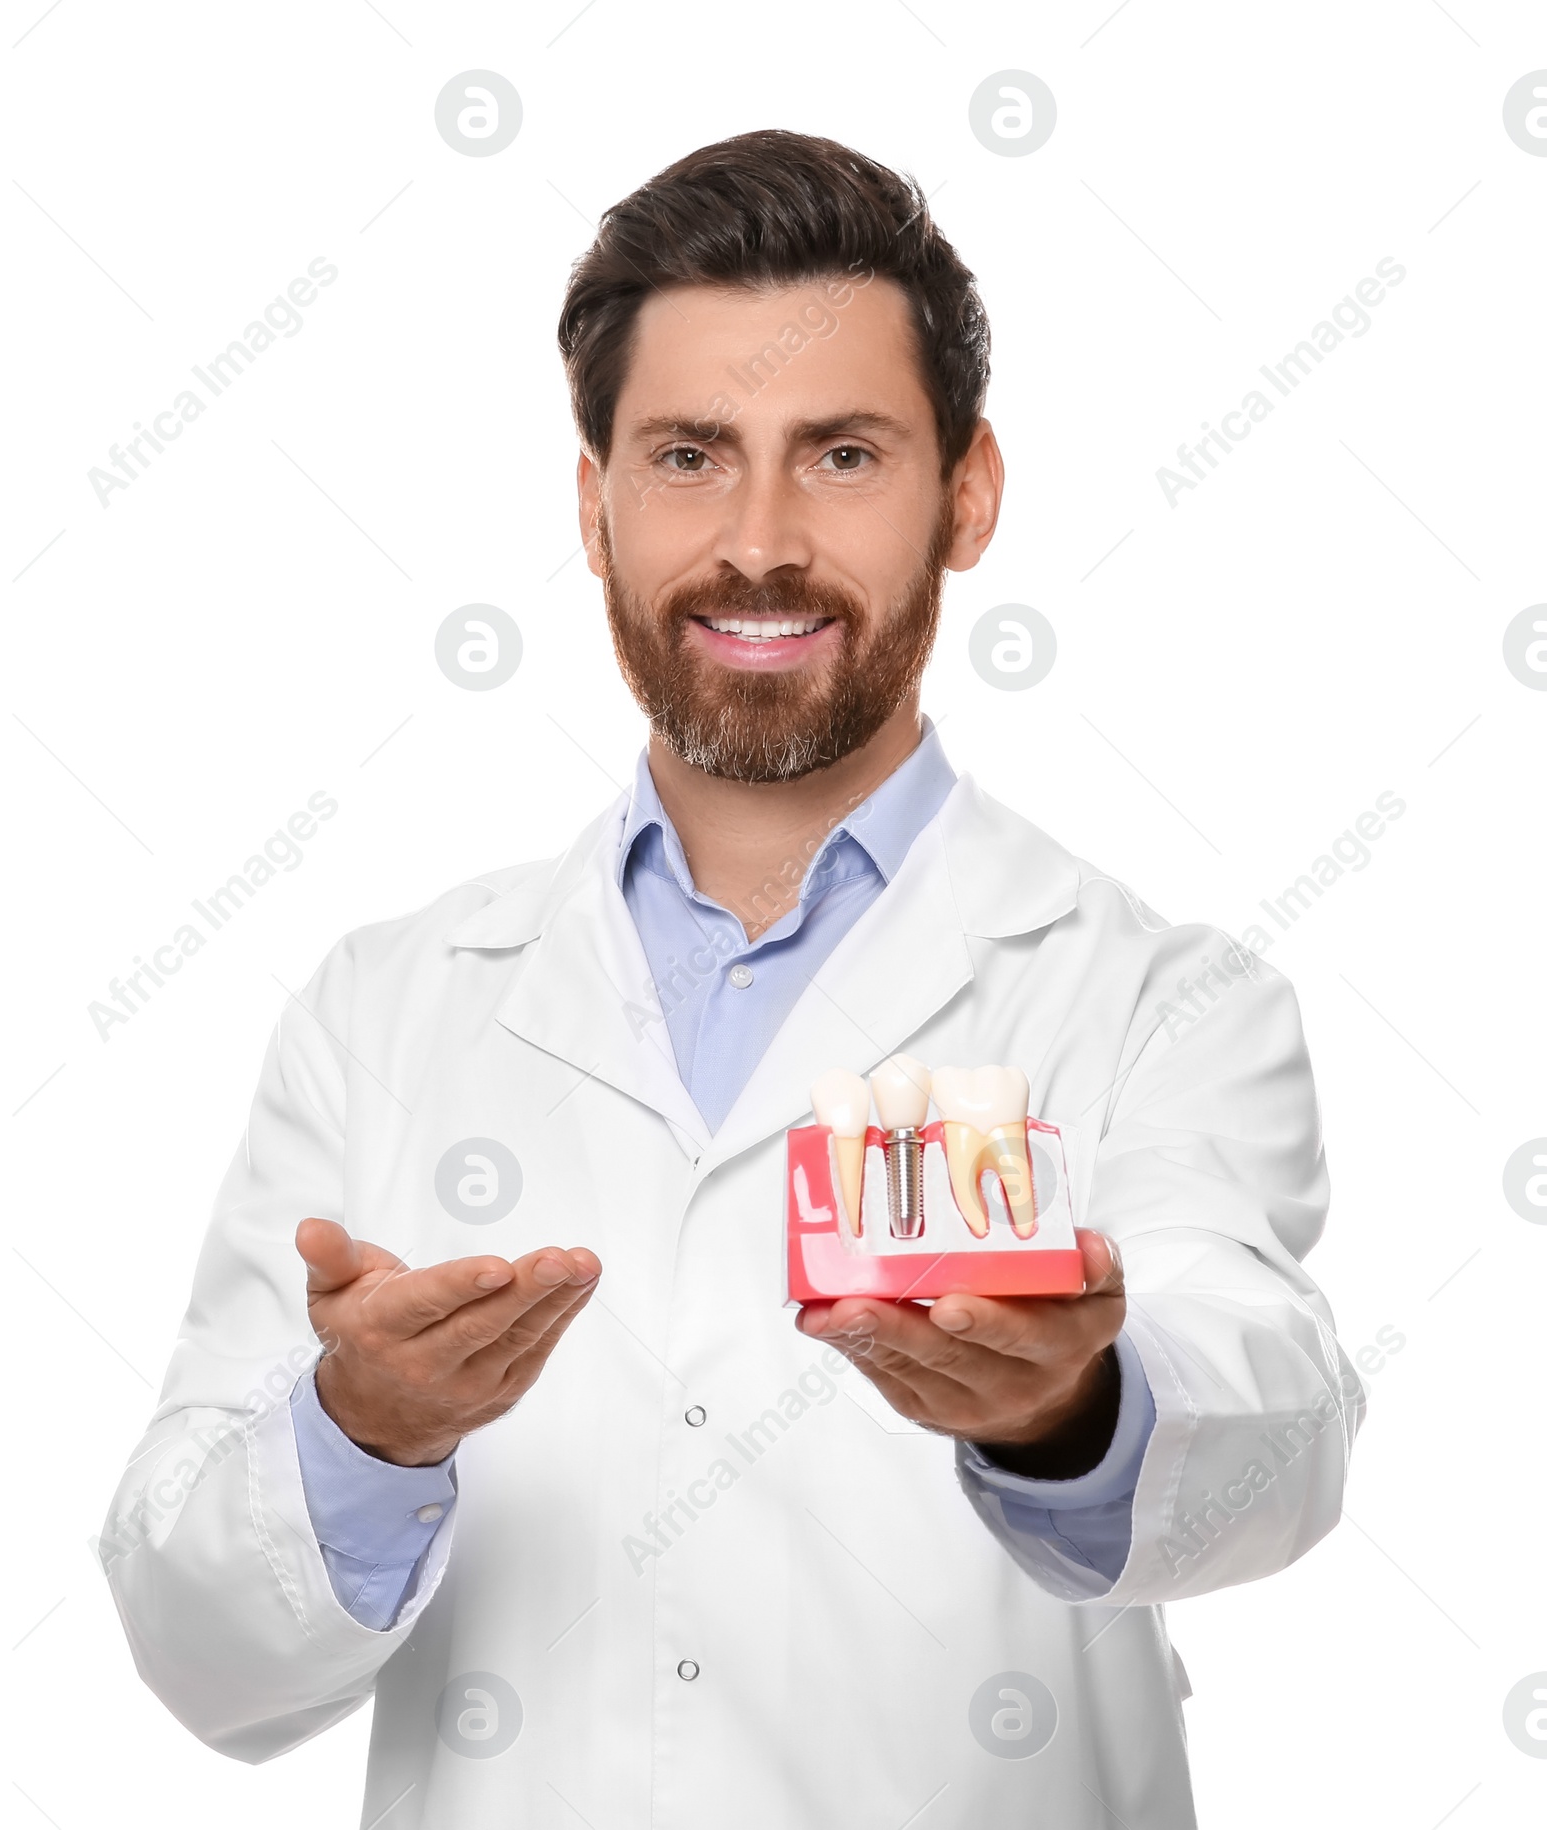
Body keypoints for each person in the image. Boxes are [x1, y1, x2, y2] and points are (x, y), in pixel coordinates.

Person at [103, 129, 1358, 1827]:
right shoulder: (388, 1006)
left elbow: (1276, 1442)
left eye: (842, 453)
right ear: (592, 500)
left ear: (968, 493)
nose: (757, 540)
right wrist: (358, 1432)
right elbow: (194, 1639)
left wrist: (1075, 1409)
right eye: (688, 454)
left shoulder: (1157, 1001)